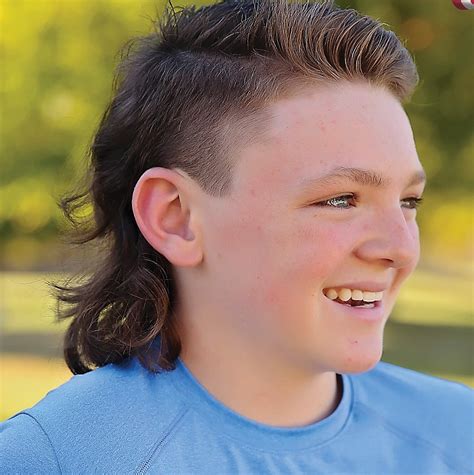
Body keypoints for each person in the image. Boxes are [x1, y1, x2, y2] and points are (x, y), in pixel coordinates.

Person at [1, 0, 473, 473]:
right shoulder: (56, 458)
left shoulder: (458, 434)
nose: (400, 248)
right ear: (175, 217)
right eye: (340, 200)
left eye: (409, 202)